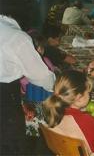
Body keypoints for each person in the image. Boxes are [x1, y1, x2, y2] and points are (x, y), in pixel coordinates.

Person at [0, 15, 55, 154]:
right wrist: (58, 86)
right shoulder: (17, 37)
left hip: (8, 93)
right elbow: (41, 77)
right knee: (11, 144)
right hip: (6, 95)